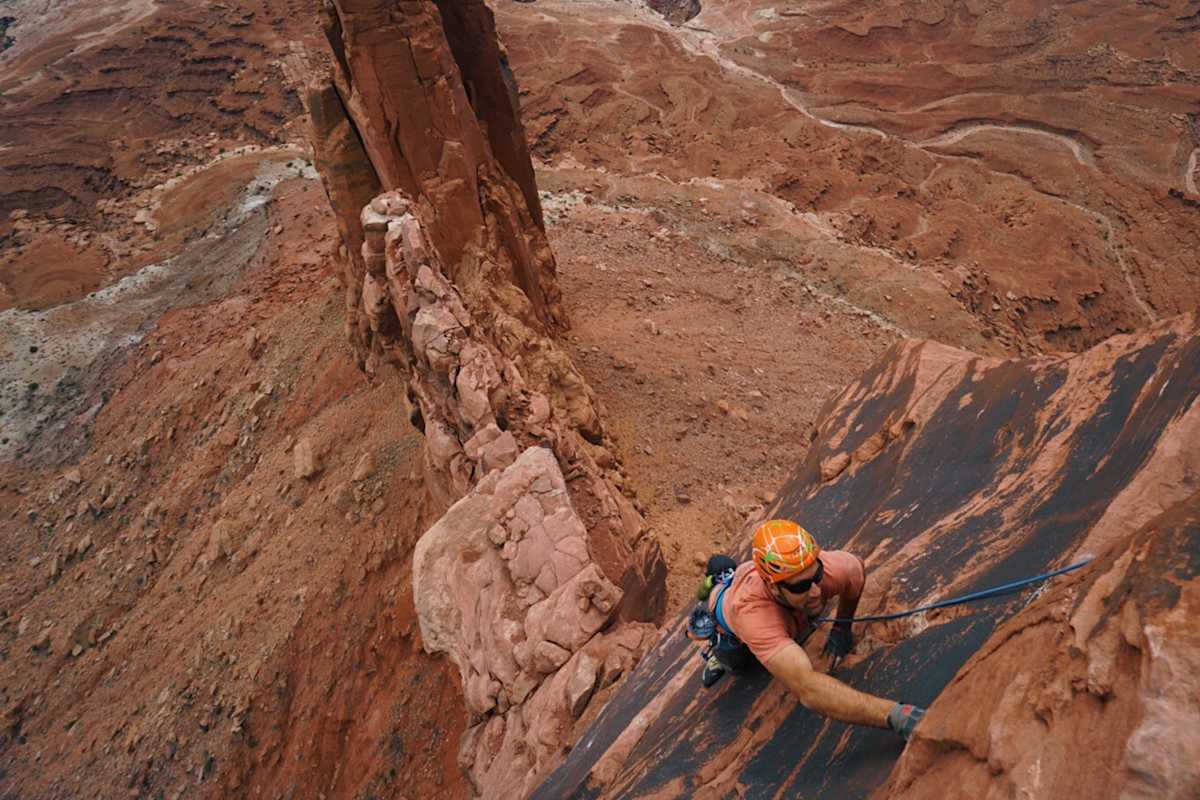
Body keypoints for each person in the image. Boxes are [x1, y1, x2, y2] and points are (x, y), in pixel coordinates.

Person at [702, 518, 925, 740]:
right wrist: (899, 716)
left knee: (796, 616)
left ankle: (732, 576)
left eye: (816, 575)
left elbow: (854, 575)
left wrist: (842, 627)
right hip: (726, 613)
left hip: (755, 578)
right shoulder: (752, 616)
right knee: (738, 663)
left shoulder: (829, 567)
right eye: (800, 586)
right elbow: (807, 689)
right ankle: (716, 649)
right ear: (772, 586)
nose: (817, 591)